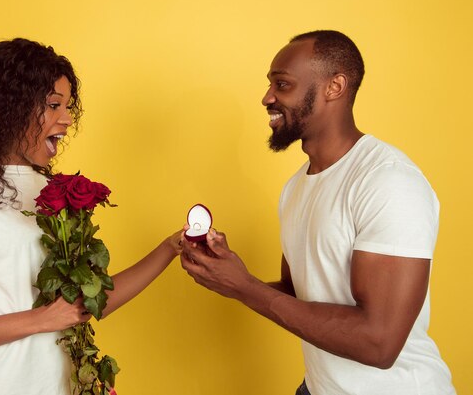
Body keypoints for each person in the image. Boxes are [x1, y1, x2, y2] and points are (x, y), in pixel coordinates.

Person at [180, 30, 456, 395]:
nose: (267, 97)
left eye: (283, 84)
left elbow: (379, 342)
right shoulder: (296, 187)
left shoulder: (388, 182)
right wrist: (228, 274)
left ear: (335, 87)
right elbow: (299, 295)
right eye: (270, 84)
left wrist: (244, 287)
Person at [0, 38, 182, 395]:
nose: (66, 120)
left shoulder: (54, 191)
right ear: (8, 108)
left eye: (67, 106)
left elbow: (86, 304)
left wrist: (170, 248)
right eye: (53, 105)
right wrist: (40, 319)